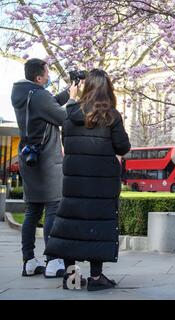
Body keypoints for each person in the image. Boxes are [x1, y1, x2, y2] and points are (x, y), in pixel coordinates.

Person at [44, 69, 131, 291]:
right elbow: (123, 147)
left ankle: (71, 277)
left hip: (74, 180)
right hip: (102, 181)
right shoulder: (111, 115)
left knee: (71, 223)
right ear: (107, 89)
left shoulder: (70, 114)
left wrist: (72, 98)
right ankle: (95, 277)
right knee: (98, 224)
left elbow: (67, 142)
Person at [11, 58, 77, 278]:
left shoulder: (25, 93)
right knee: (53, 208)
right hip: (46, 160)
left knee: (33, 210)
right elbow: (63, 116)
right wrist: (75, 98)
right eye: (47, 74)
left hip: (29, 157)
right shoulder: (39, 96)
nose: (49, 77)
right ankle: (52, 260)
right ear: (39, 77)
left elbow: (50, 103)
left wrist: (68, 91)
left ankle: (28, 261)